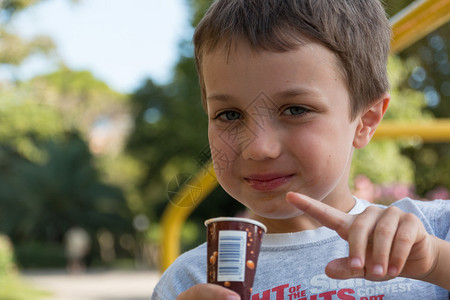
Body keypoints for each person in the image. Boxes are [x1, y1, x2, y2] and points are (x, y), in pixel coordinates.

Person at [152, 0, 450, 299]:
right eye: (229, 115)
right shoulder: (189, 280)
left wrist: (436, 263)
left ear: (365, 121)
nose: (259, 148)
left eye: (295, 109)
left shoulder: (435, 232)